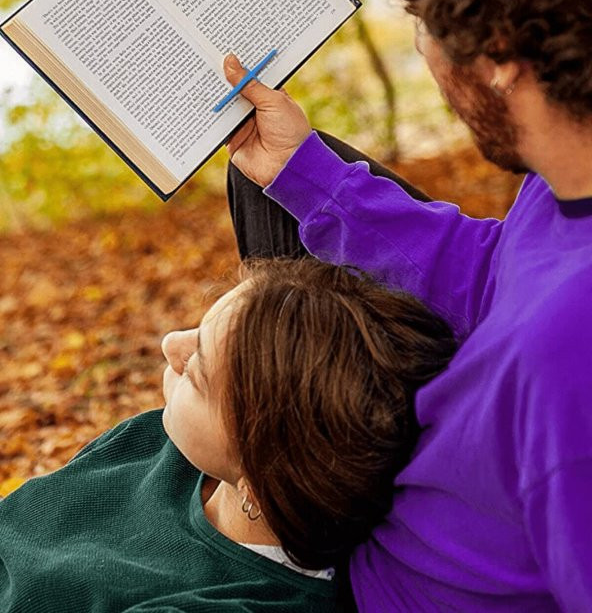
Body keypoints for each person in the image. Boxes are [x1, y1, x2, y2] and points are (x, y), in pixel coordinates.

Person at [223, 0, 592, 613]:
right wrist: (305, 175)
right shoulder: (563, 180)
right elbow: (498, 274)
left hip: (370, 589)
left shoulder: (564, 367)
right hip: (427, 473)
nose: (422, 47)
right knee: (262, 192)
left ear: (497, 51)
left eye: (423, 16)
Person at [0, 258, 455, 612]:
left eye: (197, 373)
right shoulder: (156, 443)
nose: (170, 344)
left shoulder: (229, 602)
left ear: (259, 480)